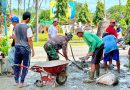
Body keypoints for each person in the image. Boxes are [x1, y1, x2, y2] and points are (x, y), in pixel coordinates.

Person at [13, 12, 35, 88]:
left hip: (17, 48)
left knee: (16, 64)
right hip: (25, 49)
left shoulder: (16, 26)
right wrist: (32, 49)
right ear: (28, 19)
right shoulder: (27, 27)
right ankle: (21, 82)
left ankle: (16, 82)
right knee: (25, 66)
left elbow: (15, 37)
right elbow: (29, 39)